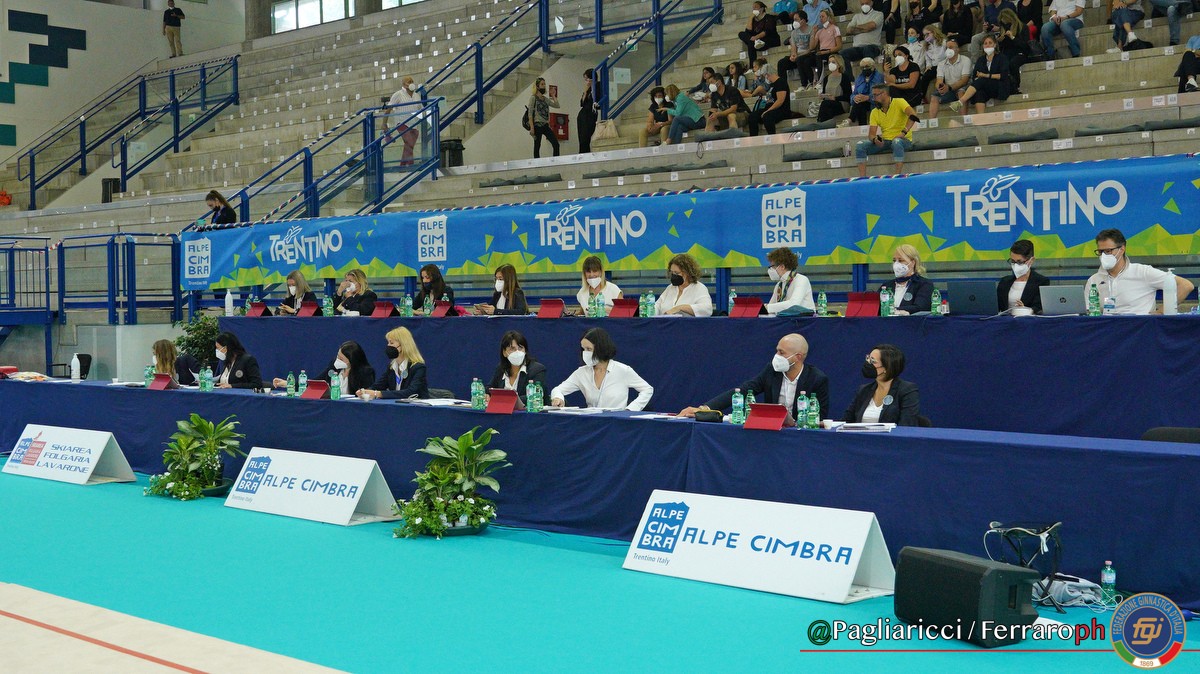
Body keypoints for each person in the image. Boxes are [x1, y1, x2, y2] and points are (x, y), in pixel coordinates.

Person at [680, 334, 830, 419]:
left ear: (798, 357)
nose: (776, 356)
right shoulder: (772, 371)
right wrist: (704, 409)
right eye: (777, 351)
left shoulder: (817, 379)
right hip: (772, 433)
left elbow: (820, 417)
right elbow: (743, 391)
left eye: (781, 352)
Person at [1083, 228, 1194, 314]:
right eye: (1100, 252)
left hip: (1139, 330)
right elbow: (1088, 312)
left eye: (1108, 251)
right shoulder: (1094, 280)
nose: (1103, 256)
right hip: (1107, 330)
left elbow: (1186, 285)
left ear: (1122, 249)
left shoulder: (1143, 272)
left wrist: (1160, 312)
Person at [550, 328, 654, 410]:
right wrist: (558, 397)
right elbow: (558, 389)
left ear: (600, 348)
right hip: (592, 423)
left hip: (617, 423)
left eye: (589, 349)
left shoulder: (623, 370)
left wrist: (630, 410)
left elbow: (647, 389)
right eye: (583, 349)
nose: (585, 353)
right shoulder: (581, 372)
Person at [841, 344, 921, 425]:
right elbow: (846, 421)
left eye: (873, 361)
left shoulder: (907, 390)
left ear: (887, 368)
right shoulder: (863, 390)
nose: (868, 363)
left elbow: (906, 424)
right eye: (868, 358)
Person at [854, 84, 919, 177]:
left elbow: (913, 115)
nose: (873, 98)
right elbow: (871, 135)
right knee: (860, 145)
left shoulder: (899, 102)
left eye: (875, 95)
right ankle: (862, 178)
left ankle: (897, 175)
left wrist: (903, 132)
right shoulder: (874, 112)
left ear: (884, 94)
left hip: (903, 140)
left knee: (896, 142)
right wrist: (875, 140)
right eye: (873, 95)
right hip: (886, 141)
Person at [272, 341, 375, 396]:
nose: (337, 360)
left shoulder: (365, 372)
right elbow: (316, 382)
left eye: (341, 359)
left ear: (352, 360)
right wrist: (288, 383)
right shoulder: (334, 367)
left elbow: (367, 394)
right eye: (337, 356)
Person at [361, 327, 429, 399]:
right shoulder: (392, 367)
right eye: (388, 343)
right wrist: (365, 392)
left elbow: (411, 392)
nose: (388, 345)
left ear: (403, 345)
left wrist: (378, 393)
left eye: (391, 343)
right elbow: (379, 385)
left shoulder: (418, 367)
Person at [486, 331, 548, 407]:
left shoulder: (537, 369)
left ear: (525, 351)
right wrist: (487, 394)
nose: (517, 352)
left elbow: (534, 396)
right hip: (503, 412)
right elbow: (489, 388)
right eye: (512, 349)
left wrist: (505, 400)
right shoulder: (501, 368)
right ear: (504, 352)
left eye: (520, 348)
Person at [951, 35, 1010, 113]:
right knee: (979, 93)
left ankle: (961, 101)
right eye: (985, 43)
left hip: (999, 86)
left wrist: (985, 75)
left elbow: (1003, 75)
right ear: (983, 46)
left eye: (990, 43)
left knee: (982, 80)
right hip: (985, 87)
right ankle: (980, 117)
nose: (987, 45)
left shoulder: (1002, 58)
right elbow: (975, 76)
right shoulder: (981, 60)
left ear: (995, 45)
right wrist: (981, 77)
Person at [996, 240, 1049, 313]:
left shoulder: (1041, 282)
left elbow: (1039, 307)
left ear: (1031, 260)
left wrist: (1026, 310)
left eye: (1019, 262)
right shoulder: (1004, 281)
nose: (1015, 265)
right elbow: (996, 306)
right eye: (1013, 261)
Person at [880, 243, 934, 314]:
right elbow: (876, 308)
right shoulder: (886, 286)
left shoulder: (924, 284)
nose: (896, 264)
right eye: (894, 260)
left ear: (913, 263)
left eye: (901, 260)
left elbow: (920, 307)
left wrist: (892, 310)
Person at [927, 40, 972, 117]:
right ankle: (932, 121)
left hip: (963, 86)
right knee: (934, 96)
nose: (948, 50)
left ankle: (963, 119)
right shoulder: (941, 64)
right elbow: (939, 80)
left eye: (950, 47)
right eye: (946, 48)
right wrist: (940, 87)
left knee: (961, 92)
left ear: (957, 49)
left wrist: (949, 87)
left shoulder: (965, 60)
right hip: (949, 89)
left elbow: (964, 80)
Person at [765, 247, 815, 314]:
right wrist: (765, 308)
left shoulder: (801, 280)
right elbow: (771, 307)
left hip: (804, 319)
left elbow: (794, 304)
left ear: (782, 267)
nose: (770, 270)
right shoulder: (779, 285)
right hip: (786, 319)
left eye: (772, 267)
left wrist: (767, 307)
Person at [385, 76, 422, 164]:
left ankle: (402, 166)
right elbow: (388, 109)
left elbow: (421, 108)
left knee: (409, 146)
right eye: (409, 82)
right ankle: (411, 165)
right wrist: (384, 124)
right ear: (404, 84)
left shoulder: (417, 96)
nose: (411, 83)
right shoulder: (398, 94)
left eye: (412, 81)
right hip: (402, 123)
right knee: (409, 142)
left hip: (414, 124)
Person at [747, 65, 791, 135]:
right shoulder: (772, 84)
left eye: (765, 76)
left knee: (767, 116)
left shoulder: (781, 82)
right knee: (752, 116)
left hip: (781, 109)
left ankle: (772, 136)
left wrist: (767, 111)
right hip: (770, 107)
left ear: (767, 74)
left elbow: (780, 101)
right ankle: (754, 138)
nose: (765, 78)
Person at [840, 0, 885, 65]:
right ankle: (848, 72)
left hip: (872, 46)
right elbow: (848, 30)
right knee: (842, 54)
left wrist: (856, 27)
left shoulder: (879, 14)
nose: (864, 5)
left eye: (866, 3)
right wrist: (865, 29)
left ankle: (869, 70)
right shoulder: (856, 16)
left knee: (867, 49)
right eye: (862, 4)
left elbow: (872, 26)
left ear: (872, 3)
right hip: (857, 48)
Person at [779, 14, 817, 89]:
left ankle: (805, 84)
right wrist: (793, 55)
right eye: (794, 20)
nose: (794, 22)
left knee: (800, 59)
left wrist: (798, 55)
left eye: (796, 19)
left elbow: (811, 48)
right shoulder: (794, 32)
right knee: (781, 63)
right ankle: (782, 87)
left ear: (803, 20)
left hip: (808, 54)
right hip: (798, 55)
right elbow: (793, 47)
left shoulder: (811, 29)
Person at [527, 78, 560, 159]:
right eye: (542, 84)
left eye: (544, 84)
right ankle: (536, 163)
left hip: (545, 125)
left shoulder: (545, 99)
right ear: (537, 86)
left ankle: (555, 161)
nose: (544, 86)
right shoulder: (533, 98)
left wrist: (553, 95)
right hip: (537, 125)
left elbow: (557, 105)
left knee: (556, 144)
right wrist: (532, 127)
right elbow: (530, 114)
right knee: (537, 146)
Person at [883, 45, 923, 109]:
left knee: (897, 103)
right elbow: (890, 82)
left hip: (913, 94)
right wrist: (886, 72)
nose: (897, 57)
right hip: (899, 95)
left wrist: (894, 85)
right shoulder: (894, 70)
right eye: (895, 56)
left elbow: (911, 85)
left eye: (900, 54)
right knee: (891, 90)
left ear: (906, 56)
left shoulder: (913, 66)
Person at [848, 57, 885, 125]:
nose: (865, 69)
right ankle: (862, 126)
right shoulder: (859, 79)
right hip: (861, 103)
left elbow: (880, 94)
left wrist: (868, 97)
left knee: (860, 104)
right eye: (862, 67)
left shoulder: (879, 77)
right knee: (860, 104)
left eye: (867, 66)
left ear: (873, 66)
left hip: (874, 103)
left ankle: (849, 120)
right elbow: (853, 94)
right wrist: (854, 97)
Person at [816, 55, 852, 122]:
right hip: (829, 103)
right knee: (827, 108)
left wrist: (835, 98)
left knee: (825, 104)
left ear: (839, 64)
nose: (831, 64)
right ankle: (826, 125)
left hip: (841, 104)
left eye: (833, 62)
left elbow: (848, 95)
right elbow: (824, 93)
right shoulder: (826, 78)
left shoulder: (844, 77)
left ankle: (819, 123)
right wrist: (822, 96)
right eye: (829, 62)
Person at [578, 69, 599, 154]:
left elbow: (595, 100)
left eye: (587, 79)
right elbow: (582, 103)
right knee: (582, 139)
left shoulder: (597, 87)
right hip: (583, 114)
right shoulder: (588, 89)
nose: (586, 81)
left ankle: (585, 154)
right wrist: (585, 92)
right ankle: (582, 154)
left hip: (590, 114)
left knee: (586, 137)